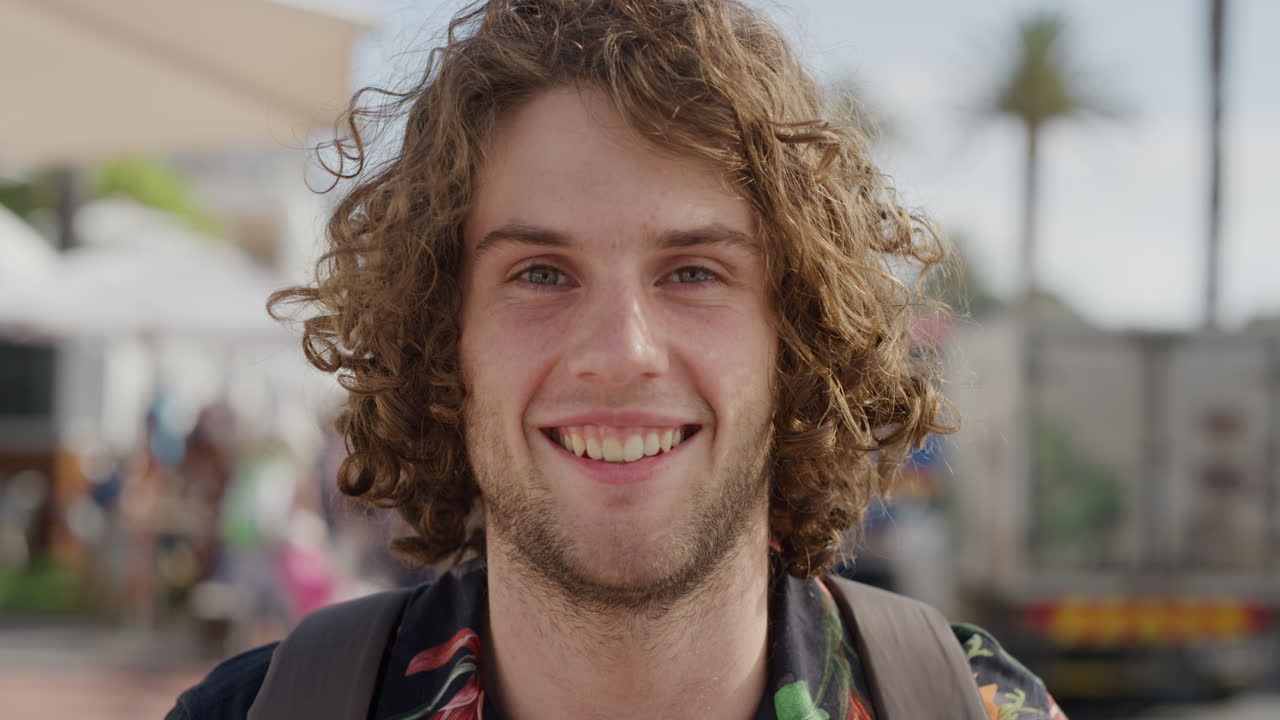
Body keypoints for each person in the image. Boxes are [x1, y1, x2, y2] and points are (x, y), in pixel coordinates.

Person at [169, 1, 1067, 717]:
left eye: (692, 271)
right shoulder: (259, 711)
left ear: (795, 339)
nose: (620, 352)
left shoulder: (975, 710)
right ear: (447, 346)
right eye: (542, 272)